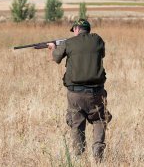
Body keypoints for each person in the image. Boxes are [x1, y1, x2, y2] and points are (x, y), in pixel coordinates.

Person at [47, 19, 112, 163]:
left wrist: (53, 47)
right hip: (97, 92)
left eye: (74, 30)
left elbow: (56, 58)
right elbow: (101, 54)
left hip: (75, 93)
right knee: (99, 120)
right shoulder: (98, 40)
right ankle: (98, 154)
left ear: (77, 29)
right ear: (88, 29)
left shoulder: (68, 43)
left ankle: (79, 157)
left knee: (77, 124)